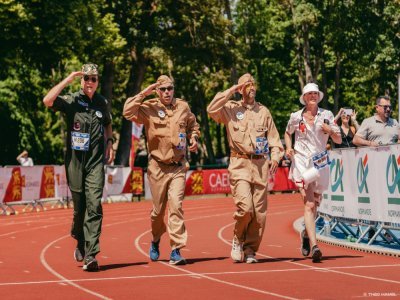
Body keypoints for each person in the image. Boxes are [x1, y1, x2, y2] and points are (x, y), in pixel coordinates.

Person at [43, 63, 114, 272]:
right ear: (82, 81)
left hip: (95, 163)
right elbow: (48, 100)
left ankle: (91, 255)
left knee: (94, 205)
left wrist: (109, 143)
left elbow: (108, 123)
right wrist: (69, 79)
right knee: (79, 208)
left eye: (94, 79)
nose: (90, 82)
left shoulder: (102, 102)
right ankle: (79, 238)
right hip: (75, 163)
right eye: (87, 79)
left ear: (97, 81)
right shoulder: (72, 100)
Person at [123, 75, 200, 265]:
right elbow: (127, 111)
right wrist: (144, 93)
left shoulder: (183, 106)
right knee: (157, 212)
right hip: (157, 166)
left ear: (174, 89)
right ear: (158, 91)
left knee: (176, 206)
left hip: (178, 167)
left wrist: (194, 137)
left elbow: (193, 125)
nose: (167, 92)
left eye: (170, 88)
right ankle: (156, 240)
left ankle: (176, 249)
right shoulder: (149, 107)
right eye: (163, 89)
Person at [207, 73, 283, 263]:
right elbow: (211, 109)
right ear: (240, 89)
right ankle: (237, 238)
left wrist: (275, 157)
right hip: (239, 164)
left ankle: (250, 250)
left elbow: (274, 139)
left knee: (259, 213)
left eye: (253, 84)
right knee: (245, 207)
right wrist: (231, 90)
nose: (251, 87)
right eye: (246, 85)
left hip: (260, 165)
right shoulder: (231, 109)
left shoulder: (263, 111)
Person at [284, 82, 341, 263]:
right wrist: (288, 148)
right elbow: (287, 132)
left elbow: (338, 138)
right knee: (309, 204)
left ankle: (307, 235)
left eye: (315, 93)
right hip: (302, 161)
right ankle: (316, 246)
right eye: (309, 94)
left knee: (316, 202)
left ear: (319, 96)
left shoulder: (327, 115)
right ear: (304, 97)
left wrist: (330, 130)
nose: (313, 96)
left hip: (320, 162)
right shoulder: (296, 116)